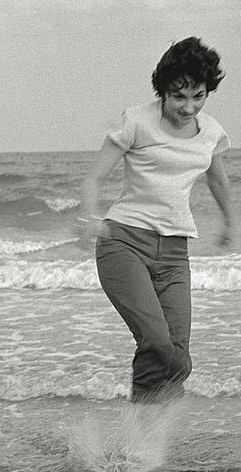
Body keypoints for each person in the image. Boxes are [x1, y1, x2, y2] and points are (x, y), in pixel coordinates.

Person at [80, 36, 233, 404]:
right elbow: (95, 177)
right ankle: (141, 436)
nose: (188, 106)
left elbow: (217, 179)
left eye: (198, 96)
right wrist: (90, 216)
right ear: (162, 89)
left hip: (175, 254)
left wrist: (229, 222)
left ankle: (149, 436)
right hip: (124, 243)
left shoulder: (210, 131)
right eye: (179, 96)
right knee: (156, 342)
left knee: (178, 359)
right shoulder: (137, 121)